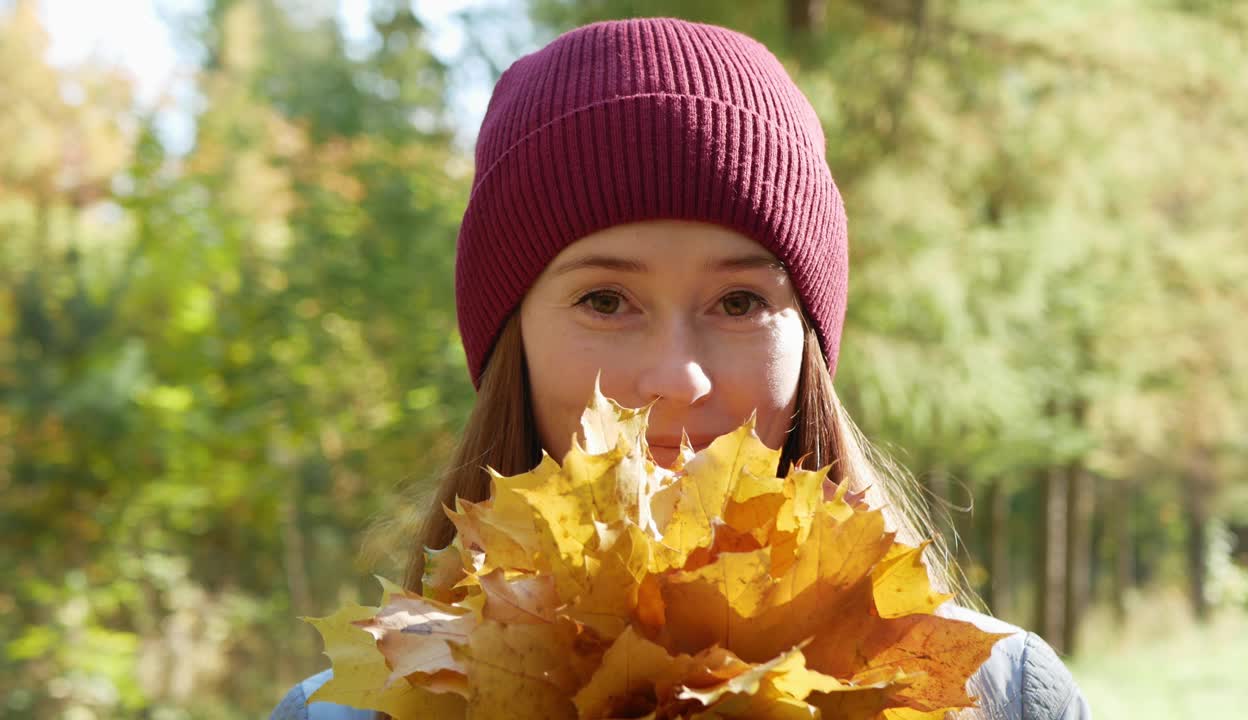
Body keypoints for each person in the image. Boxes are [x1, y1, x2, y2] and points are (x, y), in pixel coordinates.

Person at [270, 16, 1090, 720]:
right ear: (509, 341)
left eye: (738, 303)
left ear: (807, 342)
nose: (677, 378)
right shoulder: (355, 707)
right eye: (605, 300)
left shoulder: (999, 694)